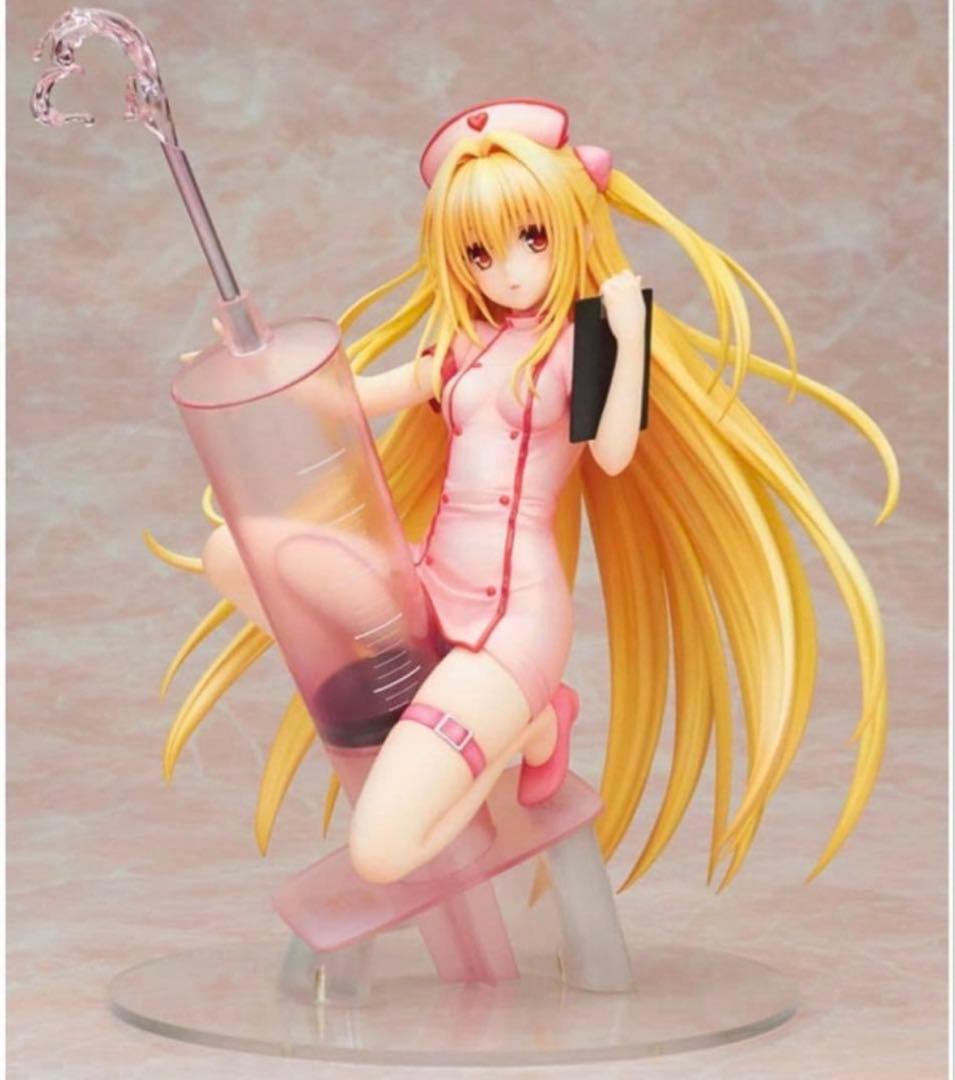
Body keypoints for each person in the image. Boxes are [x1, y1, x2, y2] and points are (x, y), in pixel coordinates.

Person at [151, 99, 898, 891]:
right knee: (232, 552)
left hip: (512, 623)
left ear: (570, 225)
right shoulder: (463, 346)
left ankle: (527, 722)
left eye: (532, 239)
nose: (507, 270)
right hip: (425, 587)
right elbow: (347, 401)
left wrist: (628, 337)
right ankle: (427, 700)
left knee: (381, 853)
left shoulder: (589, 342)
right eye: (479, 252)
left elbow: (612, 453)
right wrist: (249, 360)